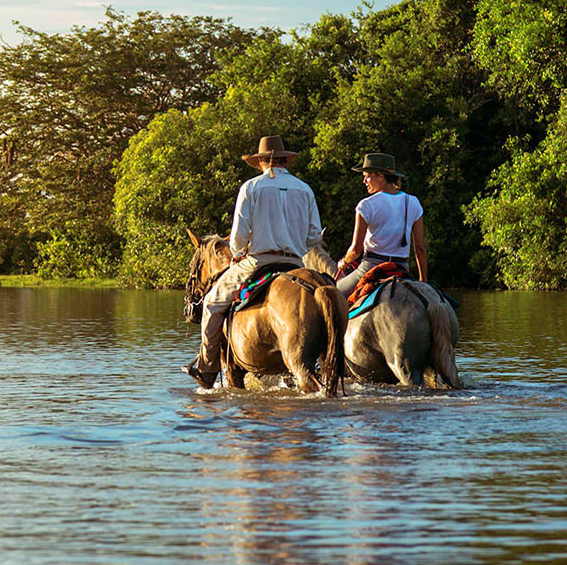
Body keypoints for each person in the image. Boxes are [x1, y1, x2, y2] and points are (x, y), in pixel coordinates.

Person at [183, 135, 323, 388]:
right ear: (284, 160)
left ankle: (207, 368)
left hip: (259, 260)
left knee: (212, 304)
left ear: (261, 162)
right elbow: (314, 236)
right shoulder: (305, 189)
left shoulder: (251, 187)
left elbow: (238, 237)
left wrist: (238, 252)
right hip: (296, 263)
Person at [336, 153, 427, 298]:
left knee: (333, 293)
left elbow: (356, 250)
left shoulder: (366, 205)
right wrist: (423, 281)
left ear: (380, 176)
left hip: (371, 267)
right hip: (402, 269)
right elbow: (420, 249)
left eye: (367, 176)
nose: (364, 181)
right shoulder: (414, 202)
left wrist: (344, 262)